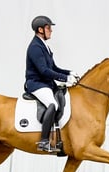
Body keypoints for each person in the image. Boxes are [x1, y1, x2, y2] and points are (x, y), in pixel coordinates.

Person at [24, 15, 79, 152]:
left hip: (46, 83)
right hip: (36, 83)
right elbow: (43, 71)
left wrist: (69, 73)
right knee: (52, 104)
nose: (51, 31)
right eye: (49, 28)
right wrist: (65, 79)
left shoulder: (44, 46)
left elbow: (53, 68)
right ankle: (43, 141)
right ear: (40, 29)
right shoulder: (35, 47)